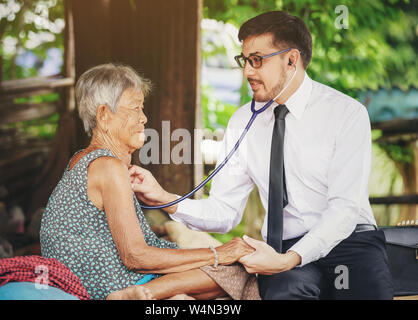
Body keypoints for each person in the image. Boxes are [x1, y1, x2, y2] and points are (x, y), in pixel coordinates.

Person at [130, 11, 394, 300]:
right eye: (245, 60)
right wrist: (165, 199)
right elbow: (225, 211)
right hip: (282, 246)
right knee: (285, 293)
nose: (247, 72)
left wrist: (292, 258)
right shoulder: (243, 121)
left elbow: (344, 210)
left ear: (291, 60)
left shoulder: (346, 113)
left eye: (258, 60)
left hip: (350, 241)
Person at [40, 63, 257, 300]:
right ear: (103, 116)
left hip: (97, 280)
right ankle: (134, 295)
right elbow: (135, 257)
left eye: (141, 108)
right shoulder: (107, 167)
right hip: (106, 285)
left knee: (227, 271)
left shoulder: (85, 161)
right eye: (134, 108)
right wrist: (218, 253)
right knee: (237, 272)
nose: (143, 118)